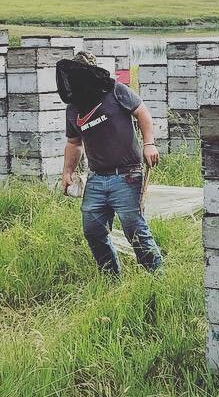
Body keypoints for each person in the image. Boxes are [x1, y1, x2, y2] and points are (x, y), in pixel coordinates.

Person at [60, 52, 164, 275]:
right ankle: (110, 276)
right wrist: (67, 171)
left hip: (127, 175)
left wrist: (149, 144)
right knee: (92, 230)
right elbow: (74, 143)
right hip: (96, 178)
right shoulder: (73, 108)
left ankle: (157, 277)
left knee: (134, 229)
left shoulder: (115, 90)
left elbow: (142, 112)